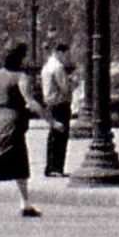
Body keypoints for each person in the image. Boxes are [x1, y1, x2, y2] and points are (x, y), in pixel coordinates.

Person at [0, 43, 63, 218]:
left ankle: (25, 204)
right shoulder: (21, 77)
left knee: (19, 163)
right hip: (14, 121)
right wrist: (51, 122)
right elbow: (30, 102)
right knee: (2, 162)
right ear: (20, 58)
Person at [41, 42, 71, 177]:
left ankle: (50, 166)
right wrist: (72, 83)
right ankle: (57, 167)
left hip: (50, 103)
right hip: (60, 104)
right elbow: (65, 88)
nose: (67, 58)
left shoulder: (46, 67)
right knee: (61, 137)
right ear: (60, 52)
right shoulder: (58, 67)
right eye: (66, 54)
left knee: (52, 136)